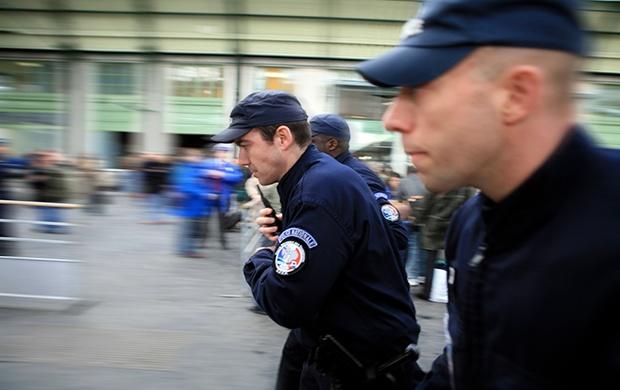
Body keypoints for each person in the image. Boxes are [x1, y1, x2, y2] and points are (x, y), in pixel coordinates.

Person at [357, 0, 620, 388]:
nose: (392, 118)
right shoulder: (472, 223)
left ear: (516, 94)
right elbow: (463, 362)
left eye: (419, 89)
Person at [211, 90, 425, 389]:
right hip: (344, 351)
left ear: (283, 137)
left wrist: (264, 257)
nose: (242, 159)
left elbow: (284, 302)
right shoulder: (318, 179)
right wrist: (289, 230)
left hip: (357, 366)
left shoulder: (317, 190)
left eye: (245, 145)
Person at [309, 113, 408, 251]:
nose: (306, 148)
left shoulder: (359, 176)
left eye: (312, 142)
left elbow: (396, 235)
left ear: (332, 144)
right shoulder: (322, 173)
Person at [202, 144, 244, 250]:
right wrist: (208, 174)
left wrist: (222, 175)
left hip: (223, 197)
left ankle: (223, 242)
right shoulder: (207, 164)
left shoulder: (230, 166)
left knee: (222, 221)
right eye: (220, 151)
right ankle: (203, 241)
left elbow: (238, 177)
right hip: (209, 196)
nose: (222, 154)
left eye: (224, 152)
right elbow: (199, 175)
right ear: (215, 152)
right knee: (205, 220)